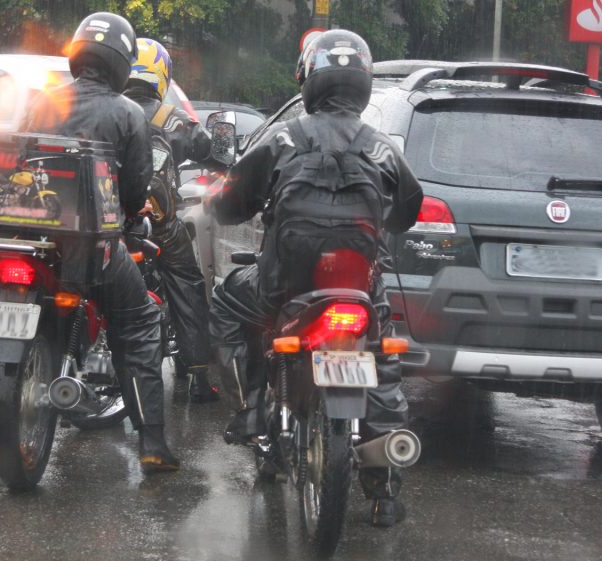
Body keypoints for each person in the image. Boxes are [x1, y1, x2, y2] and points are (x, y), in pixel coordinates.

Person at [205, 29, 424, 526]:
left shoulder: (283, 138)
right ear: (363, 84)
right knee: (380, 354)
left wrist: (224, 203)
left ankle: (248, 415)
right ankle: (385, 488)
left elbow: (230, 205)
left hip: (284, 285)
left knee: (224, 304)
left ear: (309, 80)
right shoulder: (382, 146)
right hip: (358, 287)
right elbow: (407, 211)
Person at [24, 12, 179, 473]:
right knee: (139, 323)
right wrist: (132, 215)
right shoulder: (129, 114)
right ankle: (151, 442)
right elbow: (134, 192)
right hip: (93, 248)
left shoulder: (42, 103)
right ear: (120, 64)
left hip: (35, 239)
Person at [123, 37, 219, 403]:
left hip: (103, 220)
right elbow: (212, 151)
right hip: (157, 224)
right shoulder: (171, 117)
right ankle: (198, 374)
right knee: (188, 284)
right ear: (161, 75)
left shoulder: (108, 107)